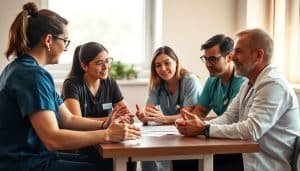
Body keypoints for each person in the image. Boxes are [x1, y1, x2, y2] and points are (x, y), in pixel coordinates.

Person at [0, 2, 140, 171]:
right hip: (24, 164)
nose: (66, 48)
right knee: (112, 166)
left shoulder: (22, 69)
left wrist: (105, 125)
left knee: (111, 161)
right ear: (48, 40)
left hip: (33, 156)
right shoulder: (32, 75)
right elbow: (53, 139)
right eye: (65, 41)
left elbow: (68, 120)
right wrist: (108, 134)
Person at [176, 28, 300, 171]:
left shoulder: (273, 84)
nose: (233, 57)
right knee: (185, 160)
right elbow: (229, 117)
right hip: (246, 156)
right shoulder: (249, 83)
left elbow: (252, 130)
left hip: (263, 163)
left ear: (258, 55)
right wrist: (198, 127)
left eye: (239, 51)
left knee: (189, 162)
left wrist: (204, 129)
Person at [61, 42, 135, 171]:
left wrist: (123, 119)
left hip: (107, 140)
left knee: (129, 158)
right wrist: (109, 120)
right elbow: (76, 122)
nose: (106, 66)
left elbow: (127, 115)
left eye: (107, 61)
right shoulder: (72, 84)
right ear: (85, 66)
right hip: (84, 144)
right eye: (100, 63)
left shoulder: (110, 83)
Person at [180, 34, 245, 171]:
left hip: (235, 144)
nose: (208, 65)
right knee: (182, 157)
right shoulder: (212, 79)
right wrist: (190, 122)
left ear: (229, 57)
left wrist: (200, 125)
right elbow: (200, 111)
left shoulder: (241, 82)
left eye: (213, 59)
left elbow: (232, 120)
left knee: (190, 161)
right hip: (217, 134)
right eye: (205, 59)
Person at [135, 46, 202, 171]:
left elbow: (187, 116)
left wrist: (163, 119)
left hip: (187, 134)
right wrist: (144, 117)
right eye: (158, 65)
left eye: (167, 63)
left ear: (176, 61)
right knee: (145, 151)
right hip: (167, 132)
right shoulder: (157, 84)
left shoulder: (190, 81)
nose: (163, 69)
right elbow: (149, 112)